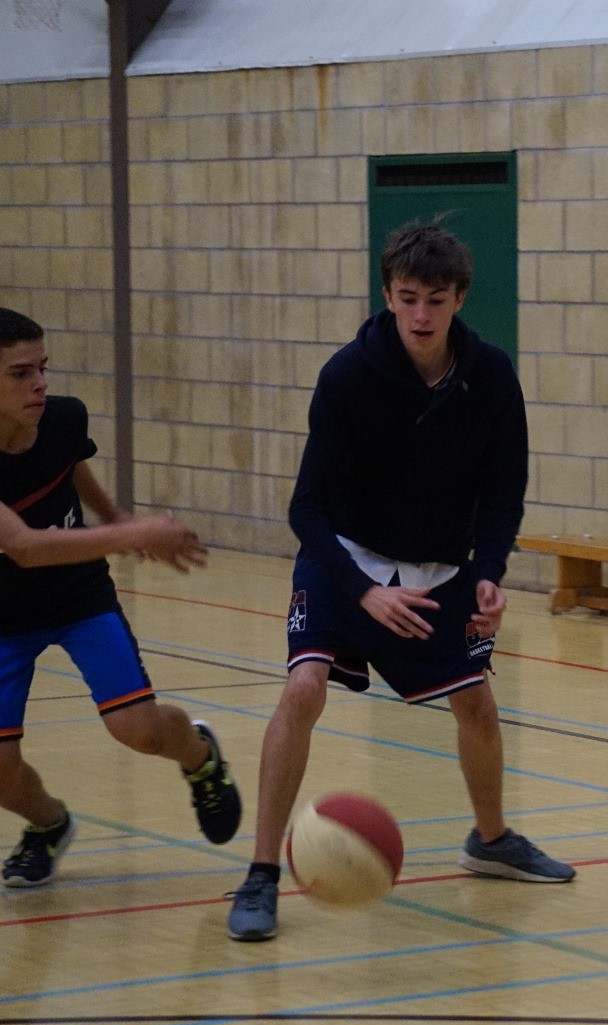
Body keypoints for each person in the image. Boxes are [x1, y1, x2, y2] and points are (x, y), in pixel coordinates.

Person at [226, 222, 574, 942]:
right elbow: (305, 509)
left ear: (459, 300)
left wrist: (489, 575)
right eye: (408, 298)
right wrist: (363, 589)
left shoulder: (491, 376)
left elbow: (503, 492)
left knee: (477, 704)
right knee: (303, 687)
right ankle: (260, 871)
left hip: (439, 569)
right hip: (344, 561)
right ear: (387, 295)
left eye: (435, 300)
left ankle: (491, 840)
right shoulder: (347, 376)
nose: (420, 314)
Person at [0, 306, 234, 889]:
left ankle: (200, 758)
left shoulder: (62, 418)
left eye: (42, 368)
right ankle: (49, 825)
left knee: (141, 731)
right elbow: (24, 547)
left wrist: (118, 519)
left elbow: (70, 469)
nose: (40, 384)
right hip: (3, 617)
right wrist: (134, 534)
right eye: (20, 374)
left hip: (77, 595)